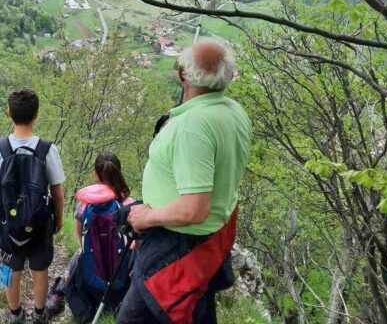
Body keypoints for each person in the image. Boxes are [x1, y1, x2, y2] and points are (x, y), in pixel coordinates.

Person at [118, 38, 251, 324]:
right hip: (208, 241)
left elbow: (194, 209)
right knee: (196, 310)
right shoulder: (233, 112)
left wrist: (146, 217)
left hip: (178, 244)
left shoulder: (194, 127)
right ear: (229, 76)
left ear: (182, 74)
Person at [0, 89, 66, 324]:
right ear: (36, 115)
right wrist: (58, 219)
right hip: (39, 221)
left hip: (8, 223)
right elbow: (57, 192)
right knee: (40, 269)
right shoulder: (47, 149)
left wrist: (0, 218)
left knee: (8, 268)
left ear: (9, 113)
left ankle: (14, 314)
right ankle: (39, 314)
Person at [45, 152, 134, 322]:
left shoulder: (86, 204)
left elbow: (81, 236)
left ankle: (58, 293)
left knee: (82, 251)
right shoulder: (129, 203)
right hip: (122, 271)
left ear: (95, 175)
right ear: (119, 172)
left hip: (93, 274)